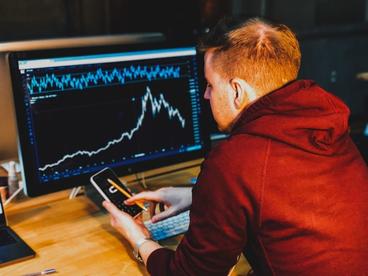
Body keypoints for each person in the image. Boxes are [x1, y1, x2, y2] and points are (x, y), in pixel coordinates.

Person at [103, 17, 368, 275]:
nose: (206, 95)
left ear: (237, 91)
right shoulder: (325, 125)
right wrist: (198, 196)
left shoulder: (236, 160)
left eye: (210, 84)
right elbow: (286, 195)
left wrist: (139, 239)